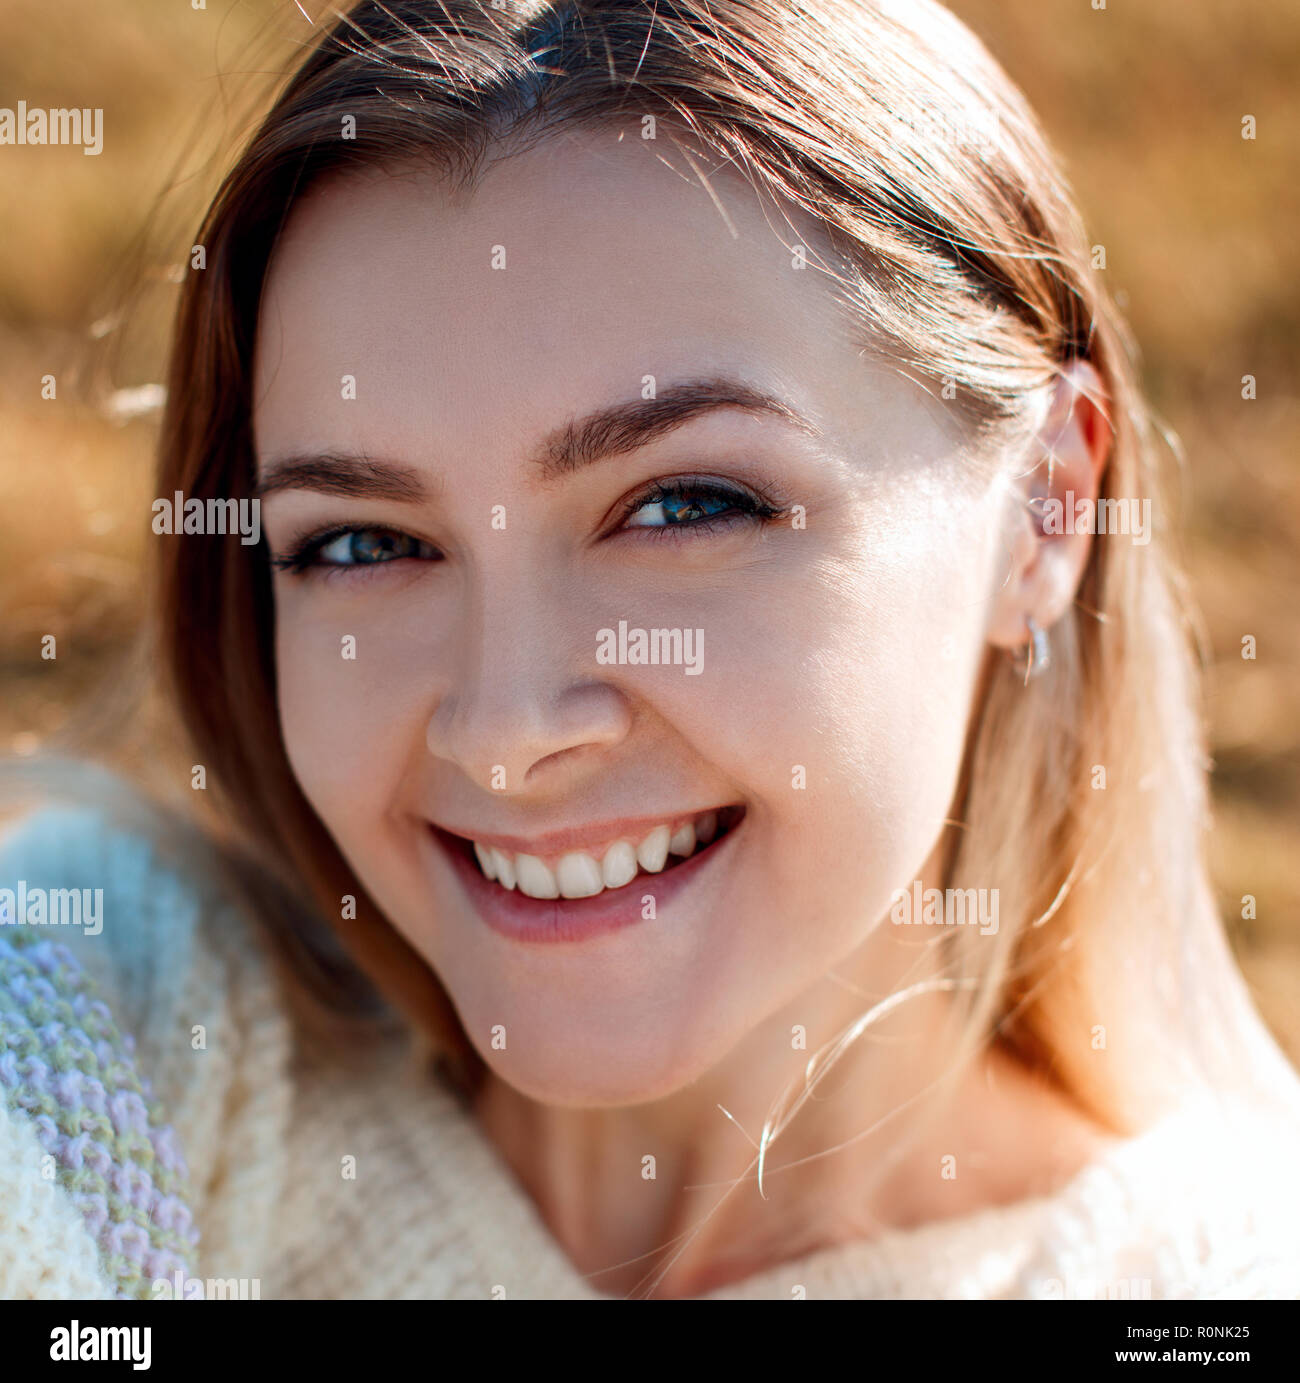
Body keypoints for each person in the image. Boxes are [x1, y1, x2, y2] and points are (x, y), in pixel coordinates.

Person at [3, 0, 1298, 1300]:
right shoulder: (119, 1017)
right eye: (361, 542)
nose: (507, 728)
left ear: (1046, 508)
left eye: (685, 505)